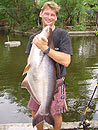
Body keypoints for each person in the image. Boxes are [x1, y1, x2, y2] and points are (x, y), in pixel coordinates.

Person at [25, 1, 73, 130]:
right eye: (46, 13)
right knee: (35, 111)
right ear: (41, 14)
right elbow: (29, 62)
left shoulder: (63, 35)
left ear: (56, 17)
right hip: (36, 81)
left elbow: (66, 61)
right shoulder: (33, 38)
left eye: (53, 15)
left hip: (56, 83)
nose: (49, 17)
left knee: (56, 113)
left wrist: (45, 49)